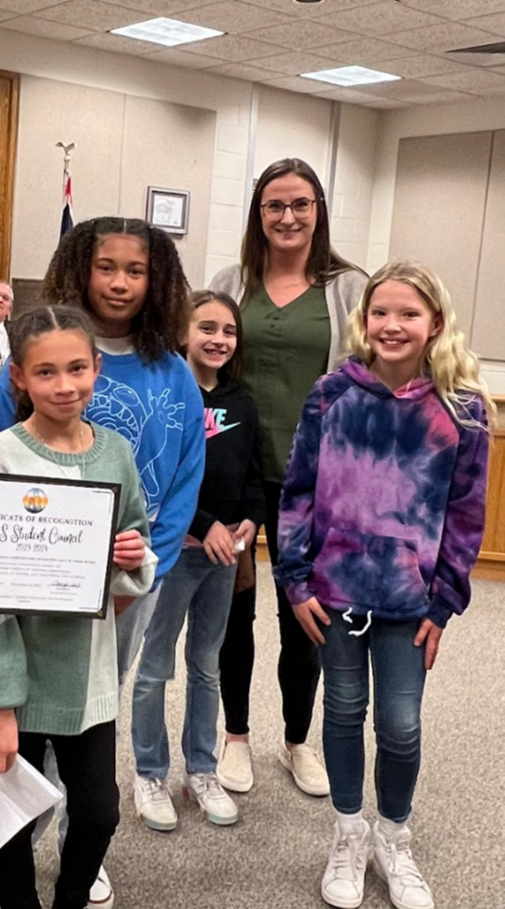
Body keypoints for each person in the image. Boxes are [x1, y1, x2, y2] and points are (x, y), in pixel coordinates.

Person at [0, 216, 204, 908]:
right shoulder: (23, 366)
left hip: (123, 590)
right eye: (105, 266)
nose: (118, 281)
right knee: (29, 727)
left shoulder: (172, 374)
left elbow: (175, 486)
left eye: (134, 270)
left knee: (90, 711)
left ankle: (73, 843)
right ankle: (22, 841)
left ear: (156, 279)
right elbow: (3, 480)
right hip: (33, 591)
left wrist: (135, 576)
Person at [275, 260, 492, 909]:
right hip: (333, 594)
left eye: (407, 313)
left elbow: (465, 511)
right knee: (341, 711)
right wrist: (292, 579)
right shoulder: (329, 394)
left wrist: (446, 596)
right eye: (379, 312)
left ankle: (392, 837)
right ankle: (347, 831)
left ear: (433, 324)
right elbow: (296, 492)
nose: (391, 324)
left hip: (410, 602)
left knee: (399, 725)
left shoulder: (462, 409)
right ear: (362, 320)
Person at [0, 305, 156, 909]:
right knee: (9, 815)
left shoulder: (115, 452)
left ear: (96, 367)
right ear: (18, 377)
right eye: (46, 373)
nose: (65, 385)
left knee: (98, 812)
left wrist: (129, 557)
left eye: (77, 368)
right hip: (19, 678)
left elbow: (135, 542)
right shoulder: (0, 456)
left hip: (87, 672)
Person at [209, 158, 367, 798]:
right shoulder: (230, 280)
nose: (288, 217)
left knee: (307, 616)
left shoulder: (348, 287)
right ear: (258, 213)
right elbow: (203, 360)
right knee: (233, 613)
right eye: (275, 205)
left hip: (315, 482)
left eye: (300, 204)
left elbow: (370, 377)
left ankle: (298, 740)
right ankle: (237, 735)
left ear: (319, 210)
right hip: (238, 480)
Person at [131, 290, 265, 831]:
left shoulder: (242, 401)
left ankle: (202, 770)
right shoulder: (170, 396)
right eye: (206, 328)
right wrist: (201, 524)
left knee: (206, 666)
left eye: (228, 331)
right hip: (175, 553)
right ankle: (149, 772)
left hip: (226, 556)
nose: (218, 339)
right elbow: (159, 477)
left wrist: (252, 522)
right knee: (154, 668)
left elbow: (254, 473)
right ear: (182, 332)